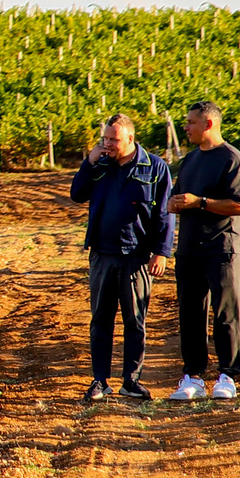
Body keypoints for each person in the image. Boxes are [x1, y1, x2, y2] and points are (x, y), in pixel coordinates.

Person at [69, 113, 171, 402]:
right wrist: (88, 163)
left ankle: (131, 380)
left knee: (135, 320)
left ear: (130, 139)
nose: (109, 144)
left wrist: (162, 252)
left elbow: (164, 214)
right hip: (102, 254)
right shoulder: (98, 165)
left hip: (136, 257)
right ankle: (99, 380)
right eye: (105, 139)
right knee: (101, 319)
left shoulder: (154, 167)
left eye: (114, 139)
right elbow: (77, 194)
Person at [167, 100, 240, 401]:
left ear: (209, 124)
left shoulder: (233, 160)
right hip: (190, 248)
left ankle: (228, 376)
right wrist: (175, 204)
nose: (186, 127)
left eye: (191, 122)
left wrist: (200, 202)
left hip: (221, 247)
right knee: (190, 312)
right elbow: (179, 198)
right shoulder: (190, 160)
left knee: (225, 312)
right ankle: (193, 376)